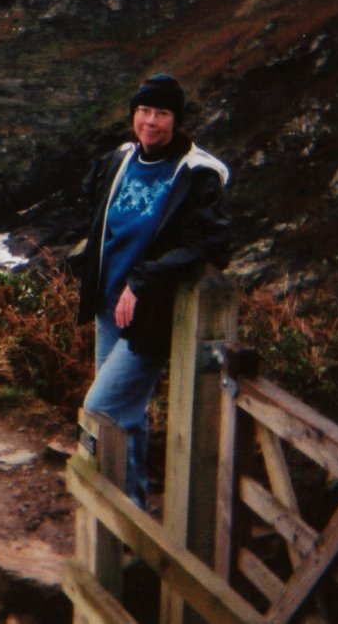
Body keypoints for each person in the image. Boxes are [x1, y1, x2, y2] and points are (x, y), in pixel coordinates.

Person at [74, 73, 230, 507]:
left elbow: (213, 244)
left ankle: (118, 517)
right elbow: (94, 207)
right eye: (144, 111)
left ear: (176, 121)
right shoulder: (120, 160)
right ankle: (134, 510)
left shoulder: (198, 174)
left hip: (151, 314)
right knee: (127, 415)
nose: (150, 121)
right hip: (109, 307)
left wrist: (143, 279)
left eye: (161, 113)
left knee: (102, 408)